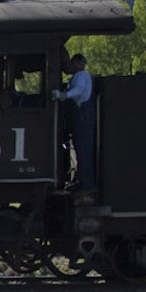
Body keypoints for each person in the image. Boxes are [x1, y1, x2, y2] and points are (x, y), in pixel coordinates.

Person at [53, 53, 96, 193]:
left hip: (83, 116)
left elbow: (78, 90)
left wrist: (64, 95)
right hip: (81, 115)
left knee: (83, 150)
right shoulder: (80, 76)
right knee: (80, 149)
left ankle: (86, 183)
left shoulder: (81, 76)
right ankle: (82, 180)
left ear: (77, 63)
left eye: (73, 63)